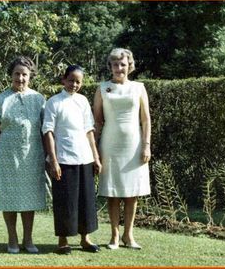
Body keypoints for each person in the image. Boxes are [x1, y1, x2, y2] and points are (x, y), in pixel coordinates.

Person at [93, 48, 151, 250]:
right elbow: (97, 121)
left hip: (134, 146)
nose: (119, 68)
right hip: (109, 145)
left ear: (129, 66)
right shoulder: (102, 88)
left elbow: (146, 119)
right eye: (115, 64)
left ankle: (129, 235)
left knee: (131, 193)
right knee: (113, 191)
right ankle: (114, 236)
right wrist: (95, 150)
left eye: (123, 64)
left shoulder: (139, 87)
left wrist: (146, 145)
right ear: (110, 66)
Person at [0, 56, 46, 254]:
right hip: (7, 154)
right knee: (10, 197)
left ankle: (28, 239)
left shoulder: (38, 99)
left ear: (30, 77)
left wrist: (49, 157)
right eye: (17, 74)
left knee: (30, 197)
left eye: (24, 75)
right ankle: (12, 238)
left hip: (33, 154)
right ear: (11, 75)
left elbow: (46, 130)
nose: (20, 78)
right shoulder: (2, 98)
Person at [43, 65, 102, 255]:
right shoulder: (53, 102)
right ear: (63, 79)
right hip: (63, 159)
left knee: (86, 200)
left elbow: (89, 130)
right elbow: (48, 132)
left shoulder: (83, 101)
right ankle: (63, 241)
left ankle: (85, 239)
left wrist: (96, 157)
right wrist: (53, 160)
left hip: (84, 157)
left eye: (78, 81)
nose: (74, 84)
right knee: (65, 200)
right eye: (71, 80)